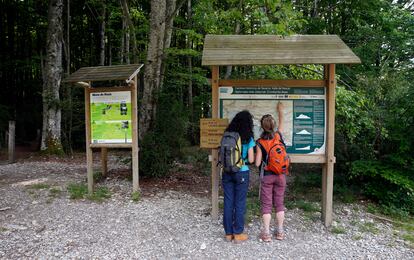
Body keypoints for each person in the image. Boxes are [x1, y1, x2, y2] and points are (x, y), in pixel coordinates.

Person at [255, 102, 287, 242]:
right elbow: (282, 121)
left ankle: (267, 233)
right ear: (273, 126)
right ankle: (280, 232)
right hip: (280, 175)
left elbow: (257, 163)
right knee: (279, 203)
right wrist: (280, 110)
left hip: (267, 176)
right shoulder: (278, 136)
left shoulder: (260, 142)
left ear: (262, 127)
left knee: (267, 205)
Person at [221, 110, 255, 243]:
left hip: (227, 172)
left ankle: (228, 233)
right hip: (242, 172)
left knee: (228, 201)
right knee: (239, 202)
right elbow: (251, 160)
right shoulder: (248, 138)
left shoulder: (227, 134)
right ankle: (238, 233)